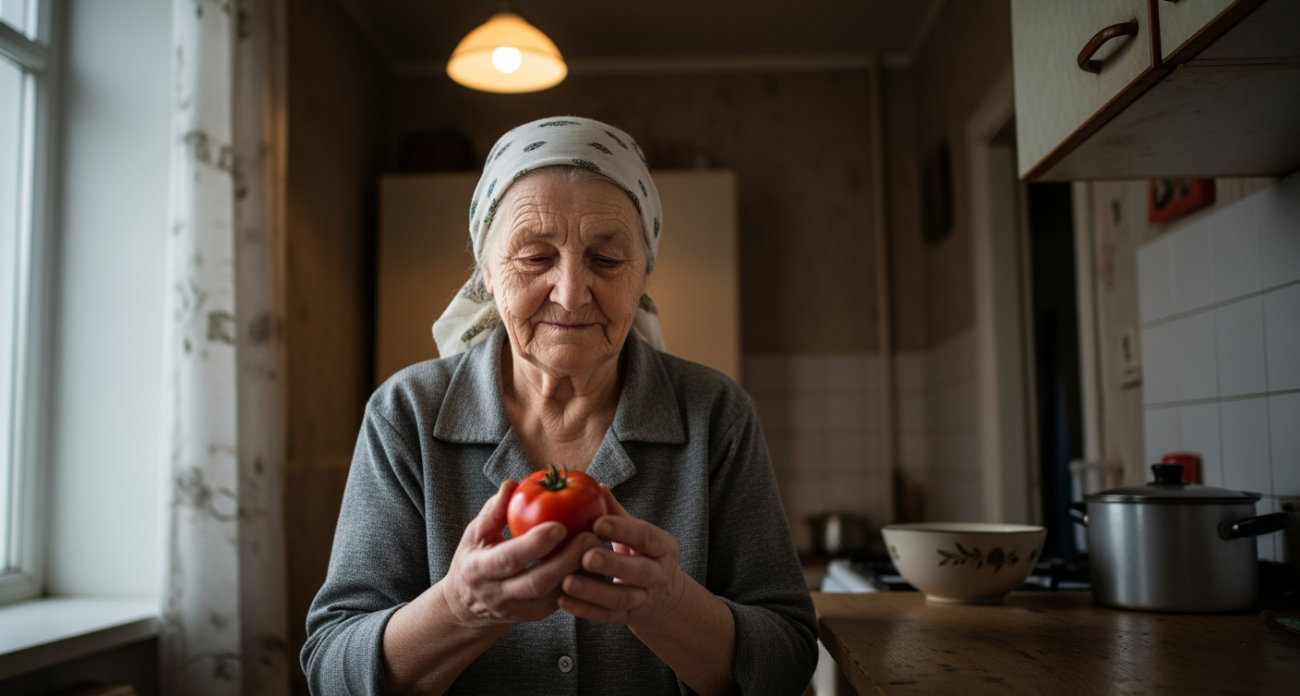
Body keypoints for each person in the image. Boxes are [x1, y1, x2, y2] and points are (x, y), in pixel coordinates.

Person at [302, 116, 817, 696]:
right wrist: (461, 607)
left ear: (645, 272)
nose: (571, 293)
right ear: (487, 276)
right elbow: (331, 668)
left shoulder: (717, 415)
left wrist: (670, 607)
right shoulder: (406, 414)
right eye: (534, 257)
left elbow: (789, 658)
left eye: (607, 260)